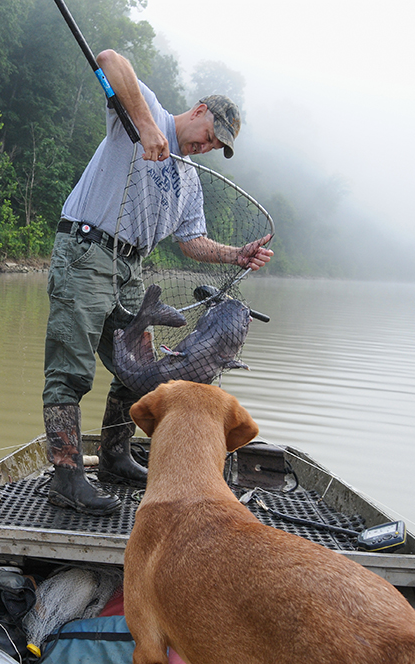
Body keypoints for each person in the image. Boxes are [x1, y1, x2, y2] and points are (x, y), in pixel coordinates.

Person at [42, 49, 274, 516]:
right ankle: (67, 476)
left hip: (130, 270)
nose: (208, 146)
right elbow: (109, 59)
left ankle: (113, 458)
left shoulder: (190, 179)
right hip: (87, 251)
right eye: (210, 136)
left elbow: (193, 241)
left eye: (217, 147)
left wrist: (236, 255)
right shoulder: (145, 111)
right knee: (70, 369)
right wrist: (147, 127)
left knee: (142, 373)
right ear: (200, 111)